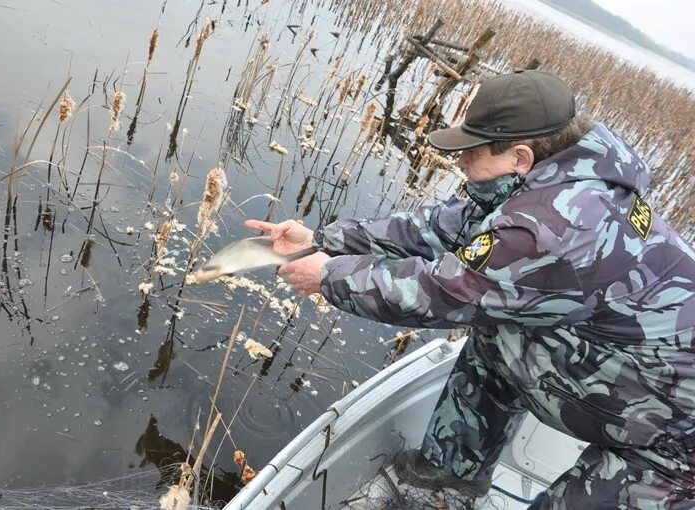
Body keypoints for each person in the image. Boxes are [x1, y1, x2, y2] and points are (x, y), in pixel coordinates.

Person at [245, 70, 695, 509]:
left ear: (519, 156)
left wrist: (327, 275)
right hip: (633, 366)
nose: (460, 162)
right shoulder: (560, 173)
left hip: (672, 438)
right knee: (498, 337)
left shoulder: (554, 229)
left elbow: (440, 293)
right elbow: (441, 226)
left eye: (472, 153)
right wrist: (322, 240)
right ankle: (446, 482)